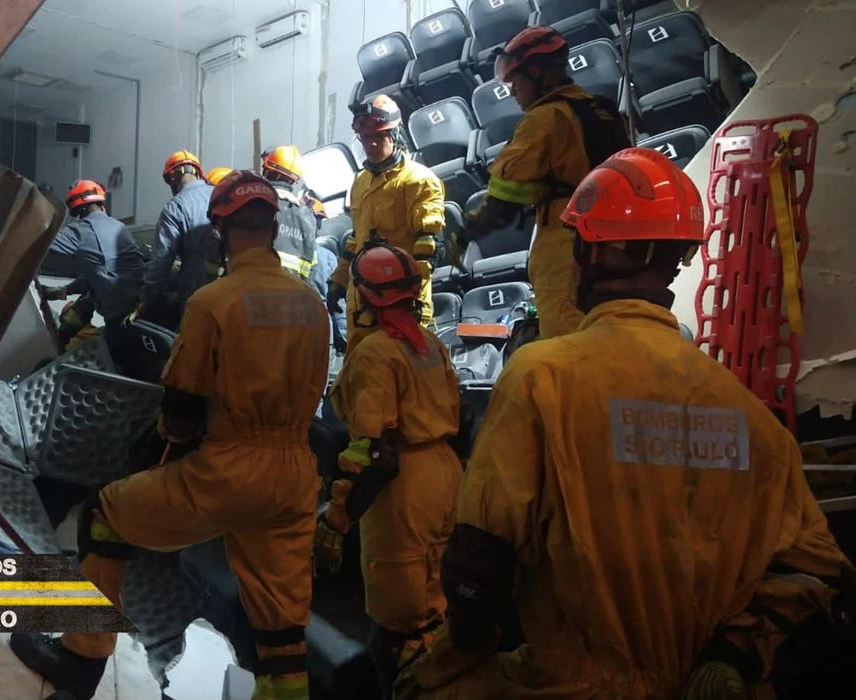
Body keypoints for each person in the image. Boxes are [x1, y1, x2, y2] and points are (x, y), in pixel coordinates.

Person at [396, 148, 855, 699]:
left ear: (598, 253)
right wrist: (730, 655)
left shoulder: (542, 377)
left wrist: (450, 657)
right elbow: (815, 569)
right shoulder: (751, 418)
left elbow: (479, 559)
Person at [12, 171, 330, 700]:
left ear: (220, 232)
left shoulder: (214, 301)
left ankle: (79, 662)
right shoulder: (312, 307)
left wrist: (165, 451)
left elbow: (181, 407)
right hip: (295, 476)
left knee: (106, 515)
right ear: (273, 230)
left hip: (231, 468)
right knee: (280, 625)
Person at [316, 242, 467, 695]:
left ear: (364, 296)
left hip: (403, 489)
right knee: (437, 601)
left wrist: (340, 518)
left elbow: (375, 454)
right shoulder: (433, 347)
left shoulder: (377, 353)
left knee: (398, 620)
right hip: (445, 475)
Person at [451, 26, 631, 340]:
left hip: (568, 251)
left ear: (536, 73)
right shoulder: (601, 110)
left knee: (569, 348)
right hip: (615, 247)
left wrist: (467, 234)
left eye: (515, 81)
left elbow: (505, 199)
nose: (511, 91)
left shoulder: (544, 119)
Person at [328, 94, 445, 356]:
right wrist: (338, 279)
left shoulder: (419, 181)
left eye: (378, 136)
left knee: (403, 377)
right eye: (365, 137)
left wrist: (409, 299)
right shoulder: (359, 182)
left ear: (395, 134)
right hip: (361, 305)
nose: (370, 143)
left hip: (401, 305)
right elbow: (355, 239)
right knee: (362, 377)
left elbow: (428, 245)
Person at [38, 180, 146, 364]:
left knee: (112, 366)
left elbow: (42, 239)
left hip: (120, 320)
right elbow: (99, 270)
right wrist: (64, 290)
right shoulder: (118, 227)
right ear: (102, 203)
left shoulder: (81, 231)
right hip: (139, 311)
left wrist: (40, 208)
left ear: (77, 211)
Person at [136, 150, 217, 328]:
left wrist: (146, 299)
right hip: (228, 290)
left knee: (193, 349)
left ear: (172, 179)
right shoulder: (221, 195)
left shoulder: (175, 208)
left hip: (195, 293)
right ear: (197, 172)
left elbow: (161, 262)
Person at [260, 144, 319, 282]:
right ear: (293, 179)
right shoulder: (307, 216)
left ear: (268, 170)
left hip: (256, 292)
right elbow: (312, 268)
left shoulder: (258, 204)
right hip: (293, 295)